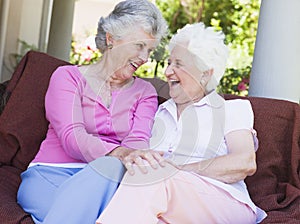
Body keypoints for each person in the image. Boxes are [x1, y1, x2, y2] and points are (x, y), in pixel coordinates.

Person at [96, 22, 267, 224]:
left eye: (178, 64)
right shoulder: (159, 112)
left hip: (224, 201)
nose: (168, 71)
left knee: (152, 177)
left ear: (205, 73)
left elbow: (244, 162)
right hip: (166, 201)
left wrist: (175, 169)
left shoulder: (231, 109)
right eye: (169, 63)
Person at [17, 0, 168, 223]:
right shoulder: (67, 77)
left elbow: (137, 144)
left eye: (150, 50)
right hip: (51, 175)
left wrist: (121, 157)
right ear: (111, 39)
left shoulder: (144, 92)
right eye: (139, 45)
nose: (145, 58)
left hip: (108, 182)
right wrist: (120, 153)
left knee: (109, 167)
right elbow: (72, 137)